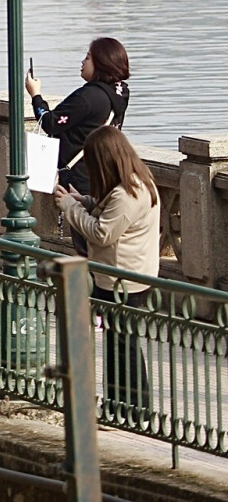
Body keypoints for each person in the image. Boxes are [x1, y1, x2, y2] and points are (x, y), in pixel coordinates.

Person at [56, 126, 161, 426]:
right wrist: (81, 200)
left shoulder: (130, 194)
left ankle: (133, 408)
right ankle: (120, 406)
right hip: (121, 277)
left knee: (123, 346)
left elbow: (102, 232)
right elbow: (105, 210)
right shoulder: (134, 182)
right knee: (119, 343)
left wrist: (69, 209)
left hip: (123, 281)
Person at [28, 36, 132, 195]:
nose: (83, 62)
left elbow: (50, 122)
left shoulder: (88, 97)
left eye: (88, 57)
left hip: (79, 179)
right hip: (104, 174)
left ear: (101, 63)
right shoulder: (120, 93)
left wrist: (35, 95)